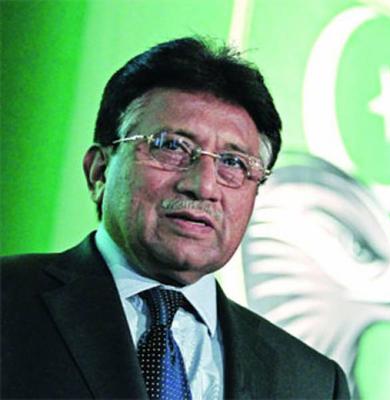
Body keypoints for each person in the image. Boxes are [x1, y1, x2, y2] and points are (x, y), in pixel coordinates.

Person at [1, 37, 349, 399]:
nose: (203, 186)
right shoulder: (9, 302)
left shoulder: (313, 384)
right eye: (171, 146)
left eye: (233, 163)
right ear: (99, 171)